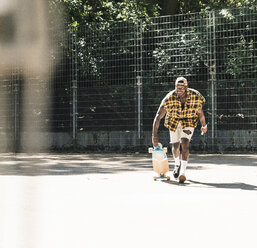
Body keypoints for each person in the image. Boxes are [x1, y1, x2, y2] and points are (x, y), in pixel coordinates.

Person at [152, 77, 207, 183]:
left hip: (188, 121)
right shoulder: (169, 98)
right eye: (177, 87)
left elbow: (200, 112)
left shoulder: (195, 96)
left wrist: (204, 125)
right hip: (173, 121)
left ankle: (182, 173)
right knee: (175, 146)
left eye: (181, 88)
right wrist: (154, 136)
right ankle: (177, 164)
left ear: (186, 87)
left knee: (185, 144)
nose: (179, 90)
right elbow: (158, 116)